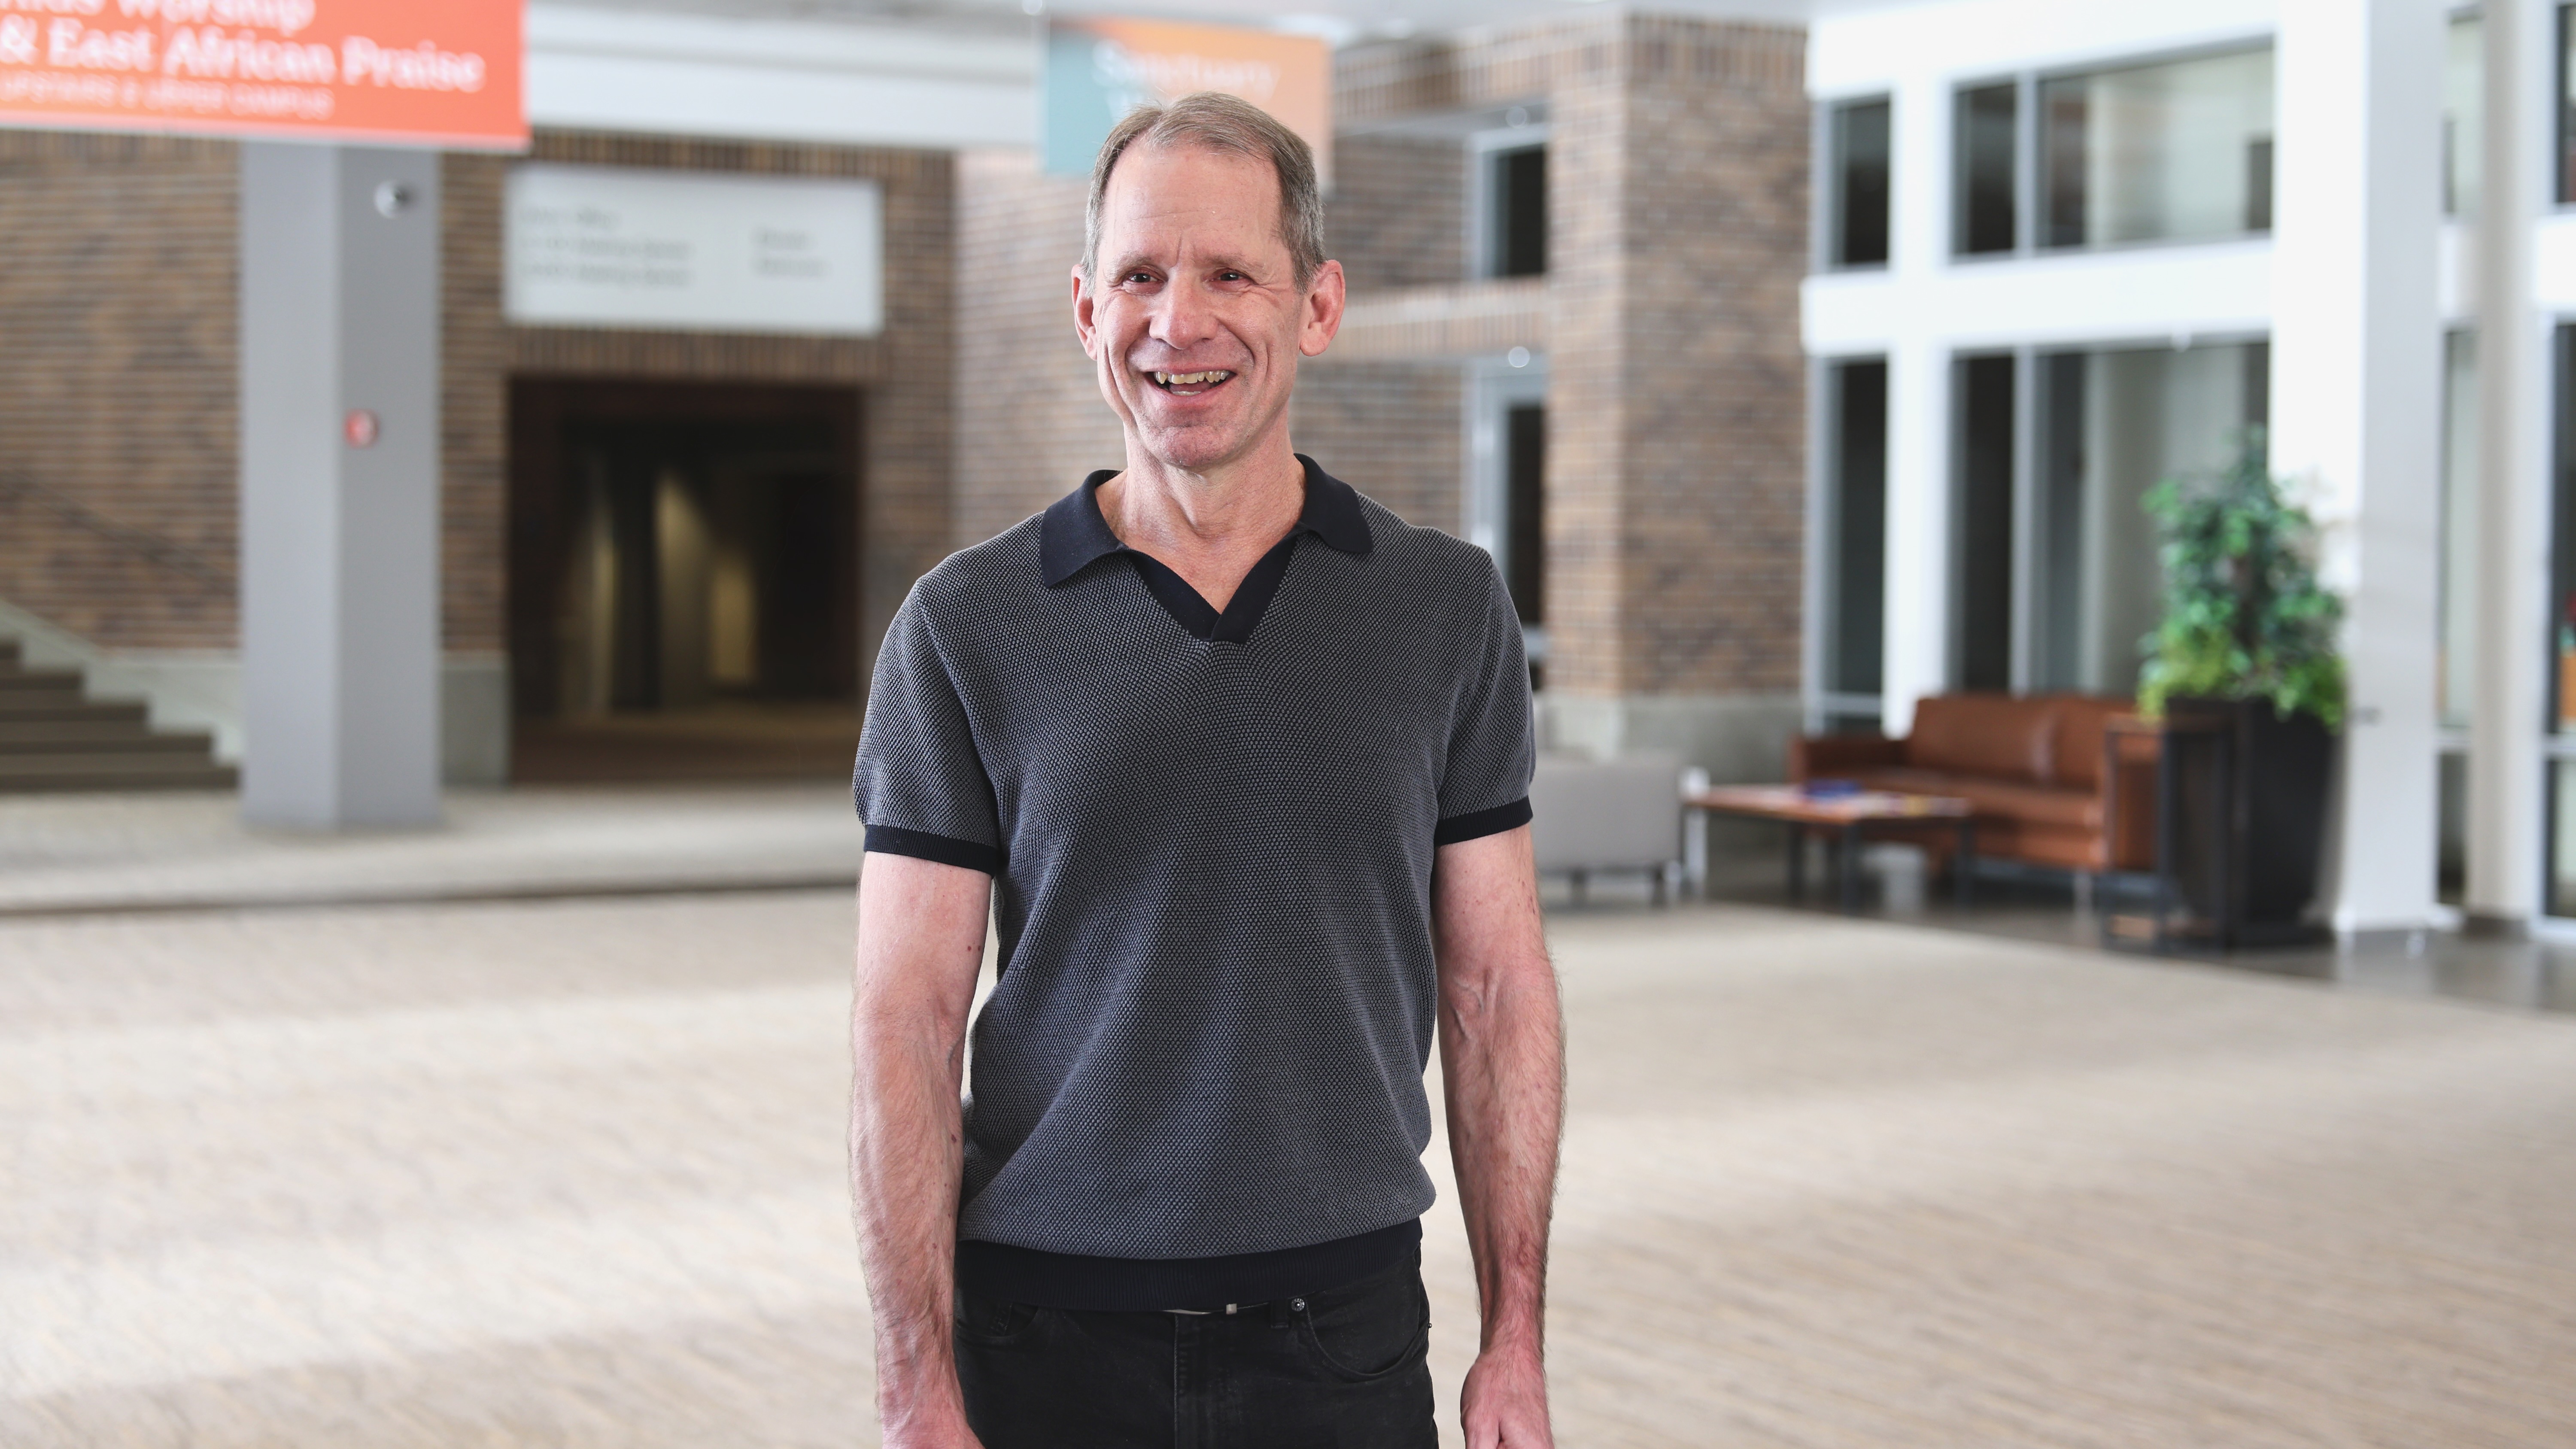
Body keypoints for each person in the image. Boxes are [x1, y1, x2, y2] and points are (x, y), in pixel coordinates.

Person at [849, 90, 1562, 1449]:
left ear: (1319, 304)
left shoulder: (1443, 610)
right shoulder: (963, 627)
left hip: (1343, 1346)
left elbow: (1494, 989)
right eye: (1139, 275)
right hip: (1044, 1346)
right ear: (1083, 308)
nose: (1179, 322)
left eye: (1231, 272)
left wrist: (1514, 1338)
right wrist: (913, 1387)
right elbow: (906, 1025)